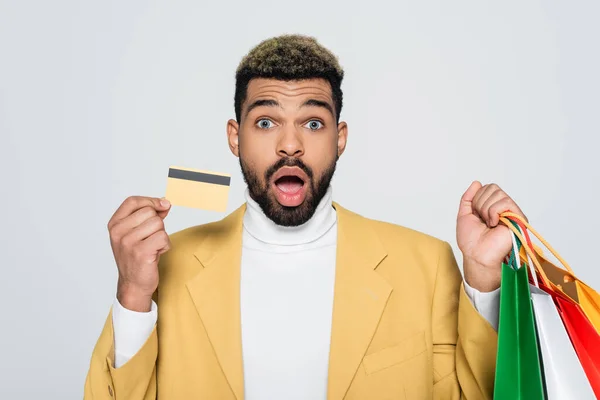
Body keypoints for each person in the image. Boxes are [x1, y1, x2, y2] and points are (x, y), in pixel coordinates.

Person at [84, 34, 525, 399]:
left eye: (313, 123)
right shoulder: (163, 265)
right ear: (234, 138)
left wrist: (484, 277)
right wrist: (133, 296)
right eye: (265, 123)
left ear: (340, 138)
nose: (290, 145)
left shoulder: (426, 264)